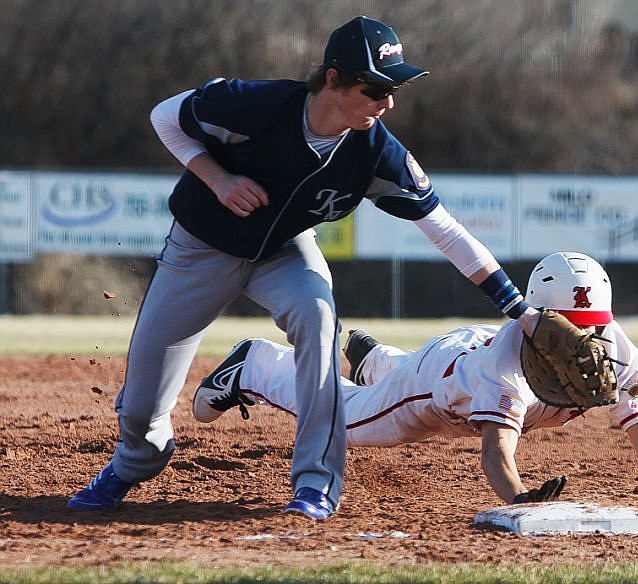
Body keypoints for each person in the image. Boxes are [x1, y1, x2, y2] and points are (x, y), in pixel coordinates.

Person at [66, 16, 540, 519]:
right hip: (200, 249)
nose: (387, 102)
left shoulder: (376, 152)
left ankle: (316, 483)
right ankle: (136, 460)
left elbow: (445, 229)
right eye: (374, 87)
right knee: (141, 406)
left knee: (318, 320)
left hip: (285, 253)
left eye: (393, 87)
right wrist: (219, 178)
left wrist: (520, 310)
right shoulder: (257, 104)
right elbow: (166, 115)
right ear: (333, 80)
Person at [193, 252, 638, 519]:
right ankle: (257, 364)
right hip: (437, 391)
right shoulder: (505, 366)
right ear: (538, 316)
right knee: (350, 423)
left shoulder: (617, 350)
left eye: (595, 324)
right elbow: (495, 453)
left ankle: (373, 359)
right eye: (572, 325)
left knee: (390, 377)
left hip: (459, 354)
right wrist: (519, 500)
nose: (587, 336)